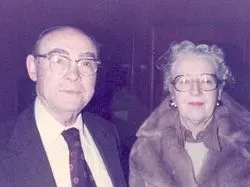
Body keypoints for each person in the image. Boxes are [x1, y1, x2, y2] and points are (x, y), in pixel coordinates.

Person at [0, 26, 127, 187]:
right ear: (33, 68)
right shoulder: (4, 146)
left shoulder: (108, 134)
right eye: (59, 60)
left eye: (86, 63)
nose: (73, 75)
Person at [129, 40, 250, 187]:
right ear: (172, 92)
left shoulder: (245, 147)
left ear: (219, 91)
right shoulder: (145, 150)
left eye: (206, 81)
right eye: (184, 81)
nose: (195, 91)